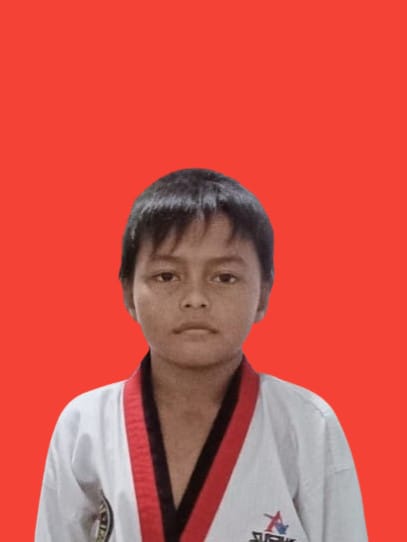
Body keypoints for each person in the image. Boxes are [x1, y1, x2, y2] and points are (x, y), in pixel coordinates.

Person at [35, 168, 368, 542]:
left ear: (263, 294)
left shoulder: (308, 425)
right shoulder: (83, 425)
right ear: (128, 293)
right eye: (167, 276)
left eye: (224, 277)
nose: (195, 298)